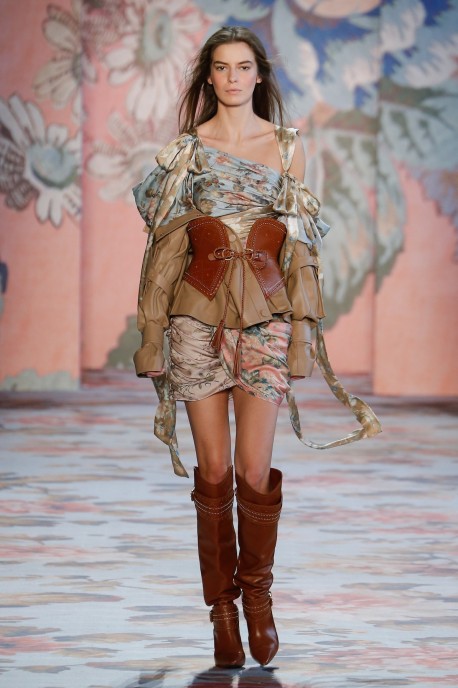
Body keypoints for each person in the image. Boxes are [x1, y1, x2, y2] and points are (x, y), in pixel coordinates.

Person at [132, 26, 380, 669]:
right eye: (222, 67)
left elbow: (300, 248)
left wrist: (304, 332)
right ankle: (222, 613)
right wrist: (151, 333)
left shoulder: (288, 147)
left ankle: (259, 599)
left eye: (244, 67)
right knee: (214, 473)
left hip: (266, 322)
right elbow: (164, 248)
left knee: (252, 472)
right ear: (208, 77)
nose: (233, 78)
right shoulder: (188, 152)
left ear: (260, 75)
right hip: (195, 320)